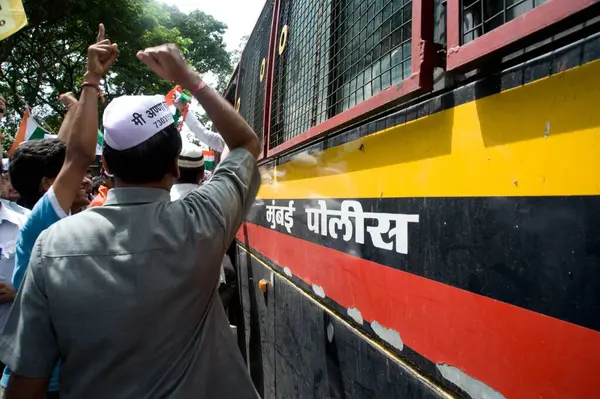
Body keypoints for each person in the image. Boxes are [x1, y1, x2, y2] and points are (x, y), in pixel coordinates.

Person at [0, 41, 260, 399]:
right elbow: (245, 144)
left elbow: (25, 382)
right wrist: (189, 78)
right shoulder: (204, 220)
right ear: (174, 165)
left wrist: (91, 81)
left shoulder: (52, 245)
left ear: (105, 167)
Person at [0, 24, 117, 399]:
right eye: (75, 176)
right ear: (50, 184)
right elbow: (79, 154)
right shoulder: (41, 222)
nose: (87, 181)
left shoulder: (60, 222)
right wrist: (91, 80)